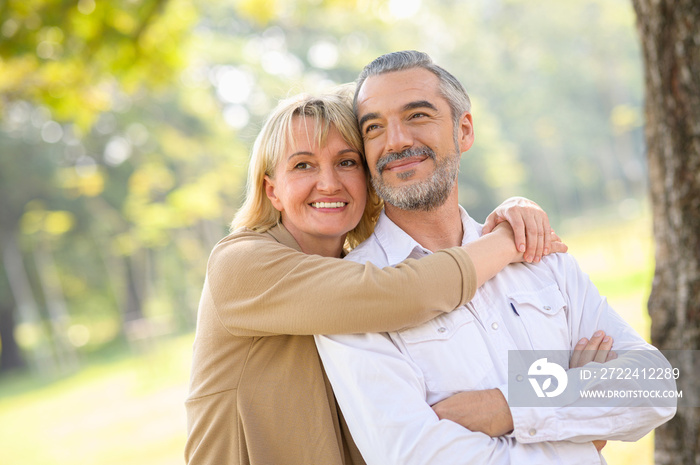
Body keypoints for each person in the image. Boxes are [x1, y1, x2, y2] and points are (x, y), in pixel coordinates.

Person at [315, 50, 676, 464]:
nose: (396, 140)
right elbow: (417, 457)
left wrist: (506, 407)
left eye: (417, 116)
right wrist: (579, 429)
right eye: (374, 127)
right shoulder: (352, 294)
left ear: (463, 130)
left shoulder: (537, 253)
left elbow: (657, 384)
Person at [184, 88, 567, 465]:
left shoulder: (366, 272)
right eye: (303, 165)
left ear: (370, 180)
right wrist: (509, 239)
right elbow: (405, 293)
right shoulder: (241, 263)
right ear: (272, 191)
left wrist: (548, 403)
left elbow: (622, 388)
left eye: (347, 162)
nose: (329, 182)